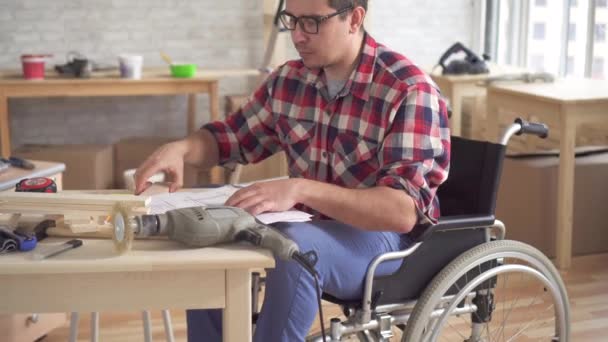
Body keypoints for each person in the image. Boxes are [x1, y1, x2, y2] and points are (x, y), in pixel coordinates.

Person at [133, 0, 450, 340]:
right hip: (307, 223)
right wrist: (182, 149)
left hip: (382, 241)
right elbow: (231, 139)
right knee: (209, 226)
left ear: (354, 18)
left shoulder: (408, 90)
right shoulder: (288, 80)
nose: (297, 35)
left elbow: (400, 212)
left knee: (295, 248)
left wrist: (300, 189)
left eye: (312, 22)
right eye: (292, 20)